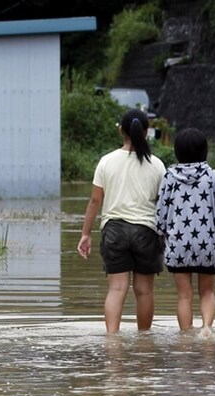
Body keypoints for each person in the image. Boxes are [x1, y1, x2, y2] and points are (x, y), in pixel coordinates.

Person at [78, 108, 166, 333]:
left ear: (121, 131)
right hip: (146, 231)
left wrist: (85, 234)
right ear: (146, 132)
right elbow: (163, 205)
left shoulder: (106, 162)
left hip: (114, 231)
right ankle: (144, 341)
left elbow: (95, 201)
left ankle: (112, 341)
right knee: (144, 291)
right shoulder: (156, 165)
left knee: (117, 290)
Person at [156, 128, 215, 336]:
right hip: (208, 242)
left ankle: (186, 335)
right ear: (205, 150)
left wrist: (161, 233)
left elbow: (161, 211)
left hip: (178, 244)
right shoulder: (214, 177)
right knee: (207, 291)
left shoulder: (169, 176)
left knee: (184, 296)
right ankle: (206, 328)